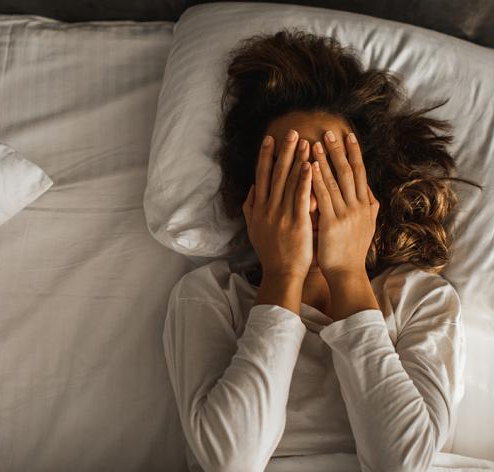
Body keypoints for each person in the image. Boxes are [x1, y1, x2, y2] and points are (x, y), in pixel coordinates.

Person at [162, 29, 475, 472]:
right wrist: (283, 277)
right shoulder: (210, 296)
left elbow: (403, 465)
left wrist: (347, 273)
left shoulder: (420, 299)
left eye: (331, 171)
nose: (311, 195)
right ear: (253, 197)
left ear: (367, 191)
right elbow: (232, 461)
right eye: (287, 173)